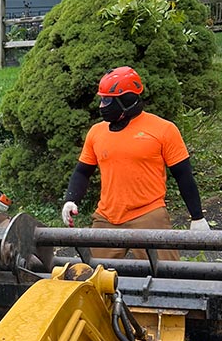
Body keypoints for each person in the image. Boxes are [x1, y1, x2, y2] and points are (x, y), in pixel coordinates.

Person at [61, 66, 210, 261]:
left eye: (108, 100)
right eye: (102, 99)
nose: (102, 106)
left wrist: (197, 217)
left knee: (168, 278)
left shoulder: (163, 130)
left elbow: (183, 175)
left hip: (148, 214)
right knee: (92, 278)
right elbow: (82, 172)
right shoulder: (96, 132)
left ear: (128, 99)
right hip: (107, 217)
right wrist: (71, 199)